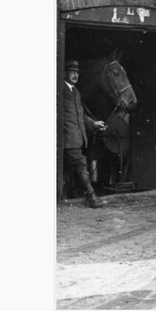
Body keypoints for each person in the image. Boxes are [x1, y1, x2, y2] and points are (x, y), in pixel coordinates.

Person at [63, 59, 107, 209]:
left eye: (77, 73)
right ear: (64, 73)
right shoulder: (60, 90)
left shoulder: (75, 92)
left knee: (68, 172)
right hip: (67, 139)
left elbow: (80, 115)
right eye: (72, 72)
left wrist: (93, 123)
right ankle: (91, 197)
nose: (75, 75)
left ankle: (61, 198)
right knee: (81, 164)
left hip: (78, 138)